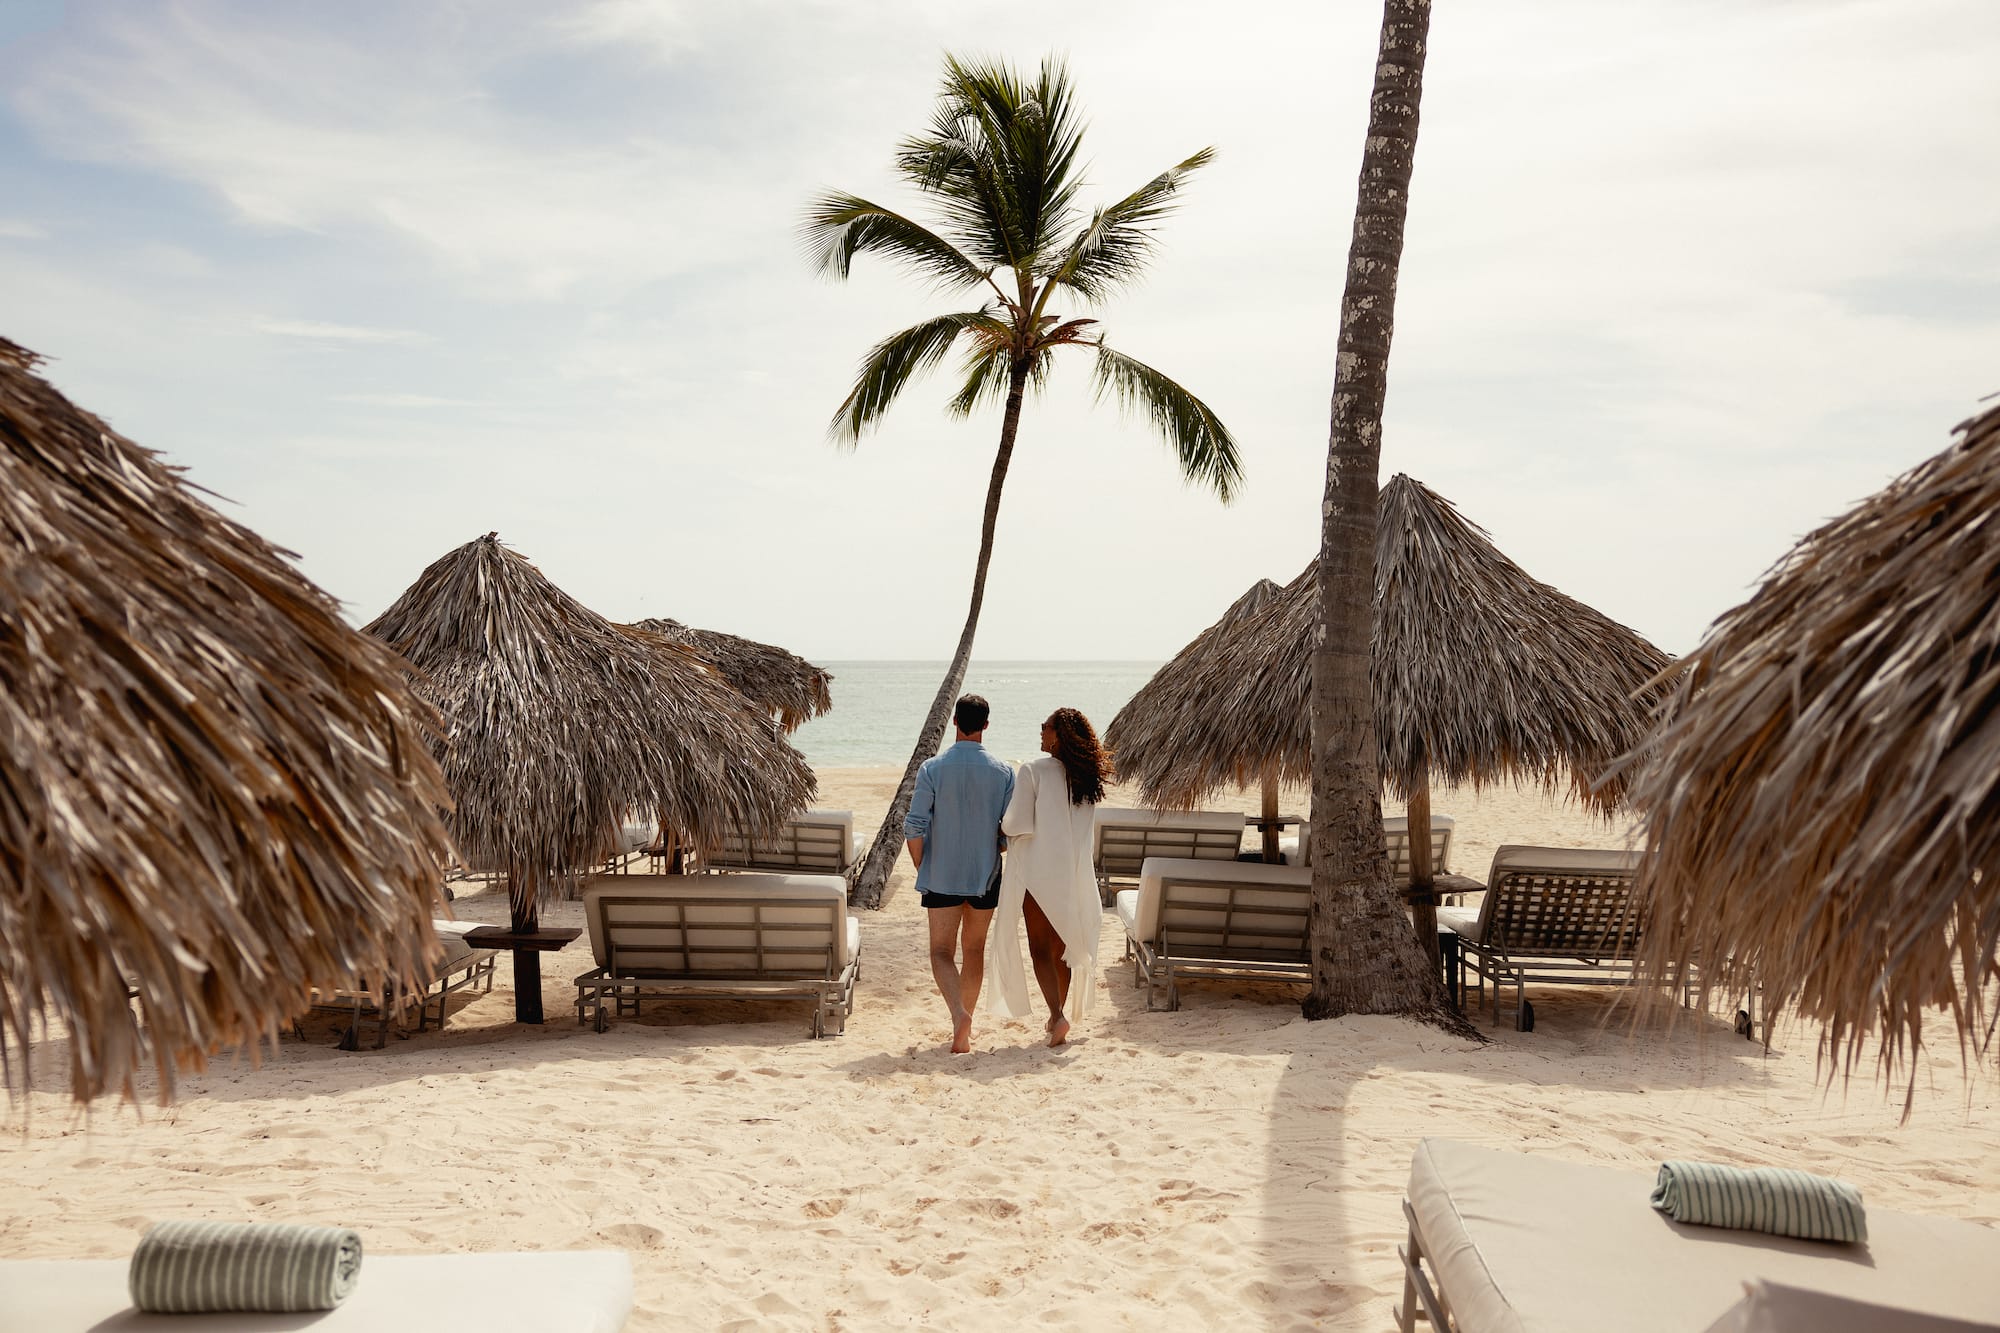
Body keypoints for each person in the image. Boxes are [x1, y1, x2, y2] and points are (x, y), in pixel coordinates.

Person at [988, 707, 1112, 1047]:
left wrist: (1000, 825)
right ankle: (1055, 1014)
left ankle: (1057, 1015)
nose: (1040, 732)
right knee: (1064, 949)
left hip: (1039, 875)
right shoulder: (1088, 780)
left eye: (1045, 727)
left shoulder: (1034, 770)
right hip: (1074, 874)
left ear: (1058, 735)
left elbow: (1016, 824)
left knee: (1040, 949)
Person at [903, 693, 1014, 1054]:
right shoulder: (1003, 772)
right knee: (974, 949)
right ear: (985, 725)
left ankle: (957, 1015)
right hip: (985, 875)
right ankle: (965, 1022)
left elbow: (914, 826)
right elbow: (1008, 831)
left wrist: (924, 866)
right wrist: (994, 842)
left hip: (942, 875)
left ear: (954, 722)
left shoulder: (932, 769)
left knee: (940, 951)